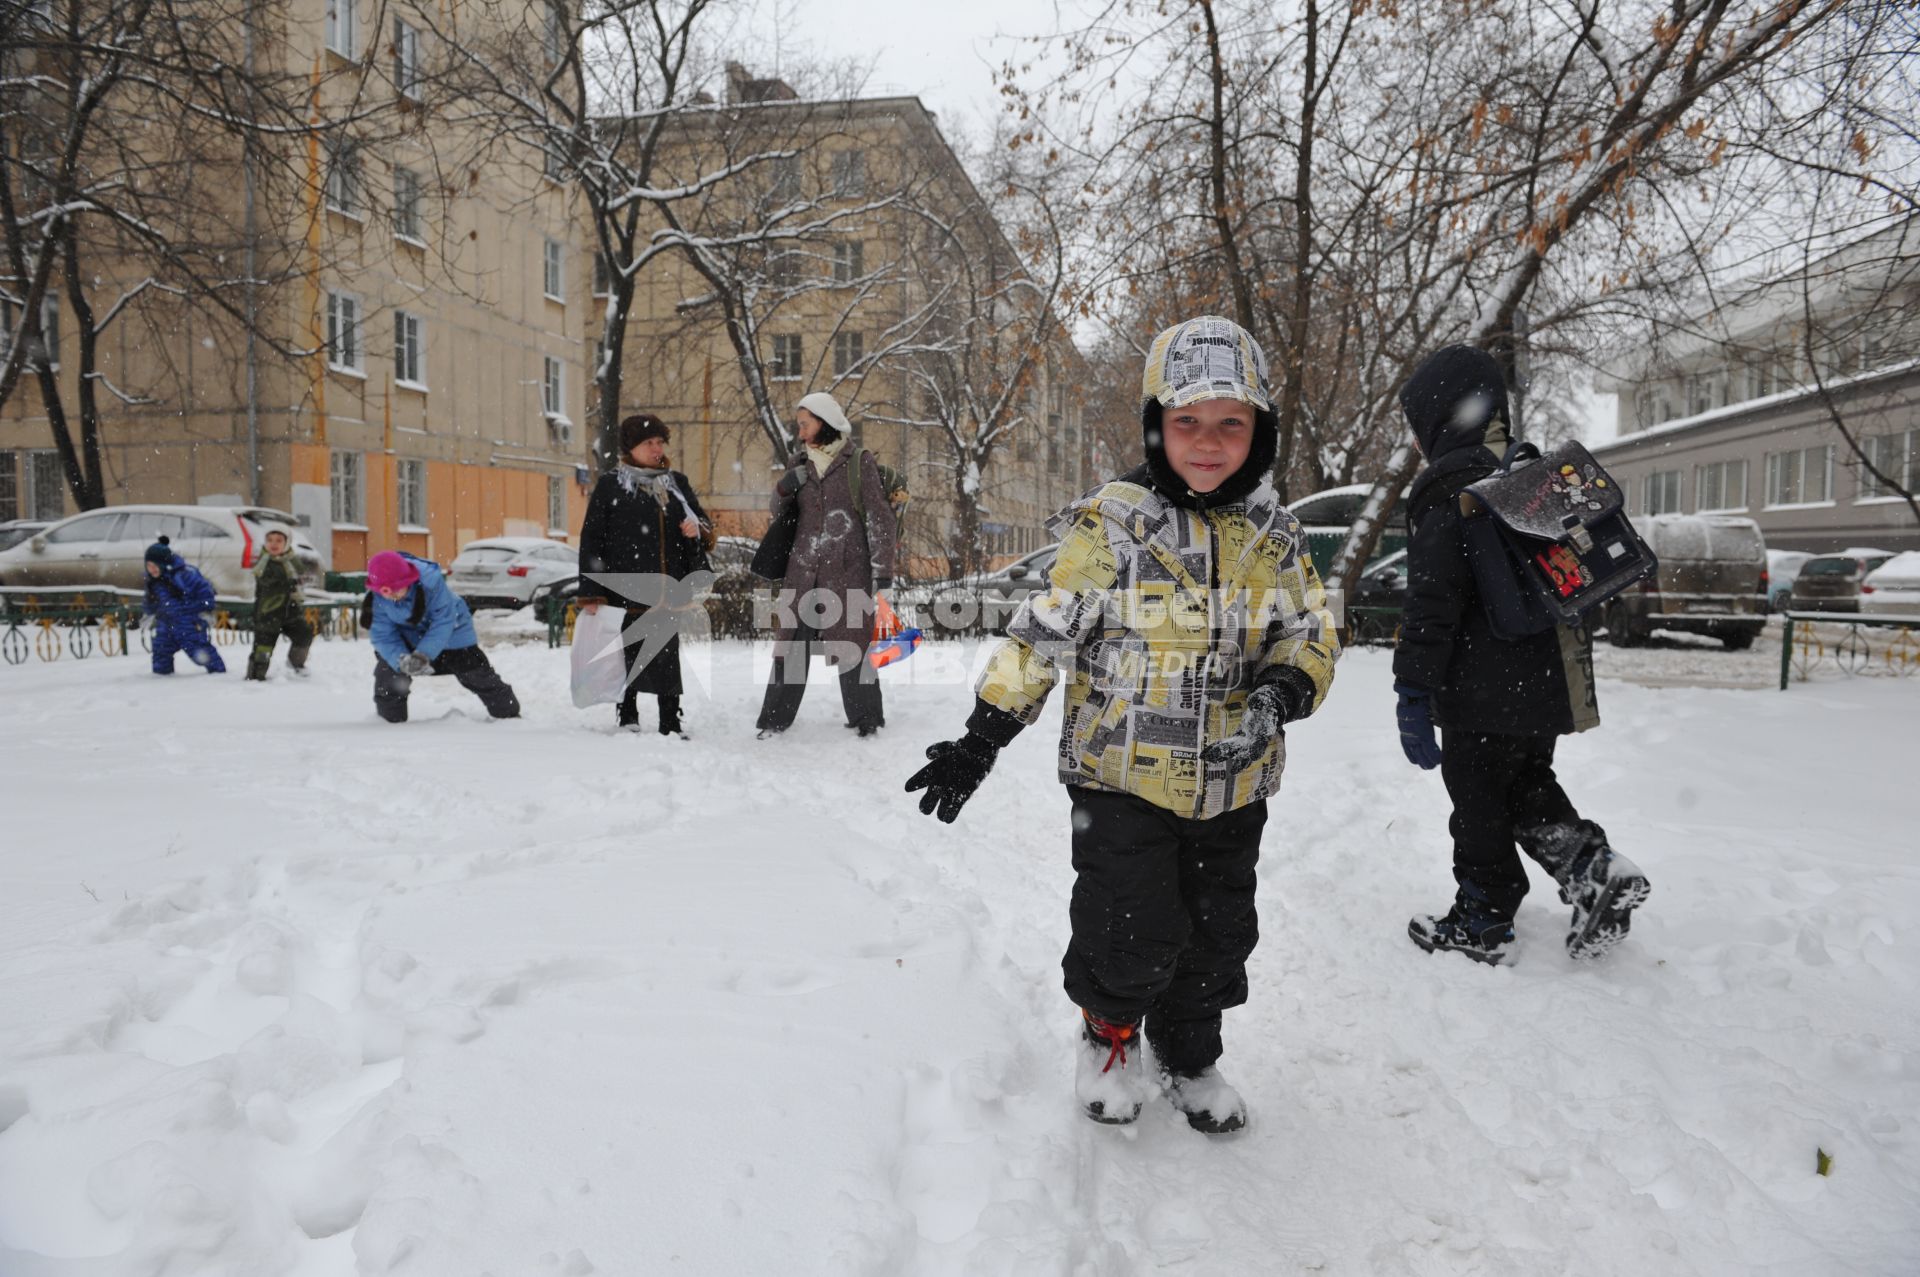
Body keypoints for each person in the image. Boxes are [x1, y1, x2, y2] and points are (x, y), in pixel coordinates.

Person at [904, 316, 1340, 1133]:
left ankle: (1189, 1051)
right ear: (1156, 425)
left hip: (1235, 777)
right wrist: (982, 735)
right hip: (1119, 775)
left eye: (1230, 423)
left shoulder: (1276, 535)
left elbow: (1312, 629)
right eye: (1187, 423)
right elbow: (1042, 632)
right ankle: (1108, 1034)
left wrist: (1282, 691)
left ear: (1259, 431)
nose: (1208, 442)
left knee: (1219, 929)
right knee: (1128, 920)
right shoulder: (1115, 522)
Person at [1391, 344, 1649, 966]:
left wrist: (1413, 690)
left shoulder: (1450, 487)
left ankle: (1483, 916)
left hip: (1479, 691)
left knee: (1477, 802)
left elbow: (1433, 602)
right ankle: (1591, 867)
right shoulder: (1528, 471)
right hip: (1543, 680)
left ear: (1437, 415)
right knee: (1526, 782)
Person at [754, 391, 897, 739]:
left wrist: (884, 573)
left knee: (852, 646)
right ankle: (774, 719)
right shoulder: (798, 463)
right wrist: (784, 488)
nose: (800, 432)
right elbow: (779, 512)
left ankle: (866, 719)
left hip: (847, 571)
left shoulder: (857, 461)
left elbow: (880, 519)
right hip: (802, 569)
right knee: (791, 647)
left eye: (805, 424)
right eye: (799, 425)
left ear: (825, 422)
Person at [576, 413, 716, 737]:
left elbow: (704, 525)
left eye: (659, 442)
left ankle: (670, 718)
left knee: (667, 656)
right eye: (648, 443)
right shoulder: (612, 484)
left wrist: (696, 530)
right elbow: (592, 538)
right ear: (631, 448)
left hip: (668, 590)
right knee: (626, 655)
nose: (656, 449)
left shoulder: (675, 483)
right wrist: (592, 592)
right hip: (623, 589)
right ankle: (627, 715)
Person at [366, 550, 521, 724]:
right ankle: (390, 725)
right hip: (407, 639)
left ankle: (509, 717)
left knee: (476, 674)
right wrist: (401, 660)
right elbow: (383, 635)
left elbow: (443, 622)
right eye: (385, 592)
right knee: (389, 675)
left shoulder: (431, 584)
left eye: (395, 590)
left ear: (408, 580)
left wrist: (423, 654)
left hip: (453, 635)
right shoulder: (378, 597)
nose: (390, 596)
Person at [142, 536, 227, 675]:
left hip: (188, 621)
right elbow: (150, 601)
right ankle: (161, 676)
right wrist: (149, 611)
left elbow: (205, 593)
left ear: (163, 564)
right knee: (161, 649)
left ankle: (218, 672)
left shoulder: (185, 575)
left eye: (154, 566)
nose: (151, 570)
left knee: (198, 649)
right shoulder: (153, 582)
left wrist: (201, 608)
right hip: (165, 622)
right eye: (148, 566)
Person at [245, 528, 315, 681]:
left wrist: (303, 579)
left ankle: (296, 663)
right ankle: (256, 676)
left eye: (278, 540)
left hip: (290, 610)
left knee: (304, 635)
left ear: (286, 543)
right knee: (263, 646)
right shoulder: (263, 562)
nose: (273, 544)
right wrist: (289, 583)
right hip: (268, 611)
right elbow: (267, 582)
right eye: (270, 540)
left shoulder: (291, 560)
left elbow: (304, 574)